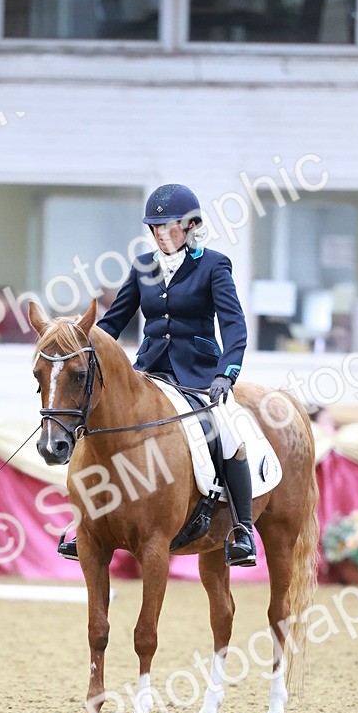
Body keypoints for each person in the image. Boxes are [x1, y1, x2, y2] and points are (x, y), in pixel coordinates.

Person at [61, 182, 255, 566]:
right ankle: (84, 521)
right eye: (156, 228)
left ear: (190, 227)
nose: (162, 236)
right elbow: (113, 323)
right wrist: (80, 351)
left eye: (170, 228)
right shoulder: (144, 267)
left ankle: (241, 528)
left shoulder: (214, 265)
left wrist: (225, 375)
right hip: (149, 370)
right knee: (96, 429)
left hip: (198, 375)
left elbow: (235, 327)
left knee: (230, 434)